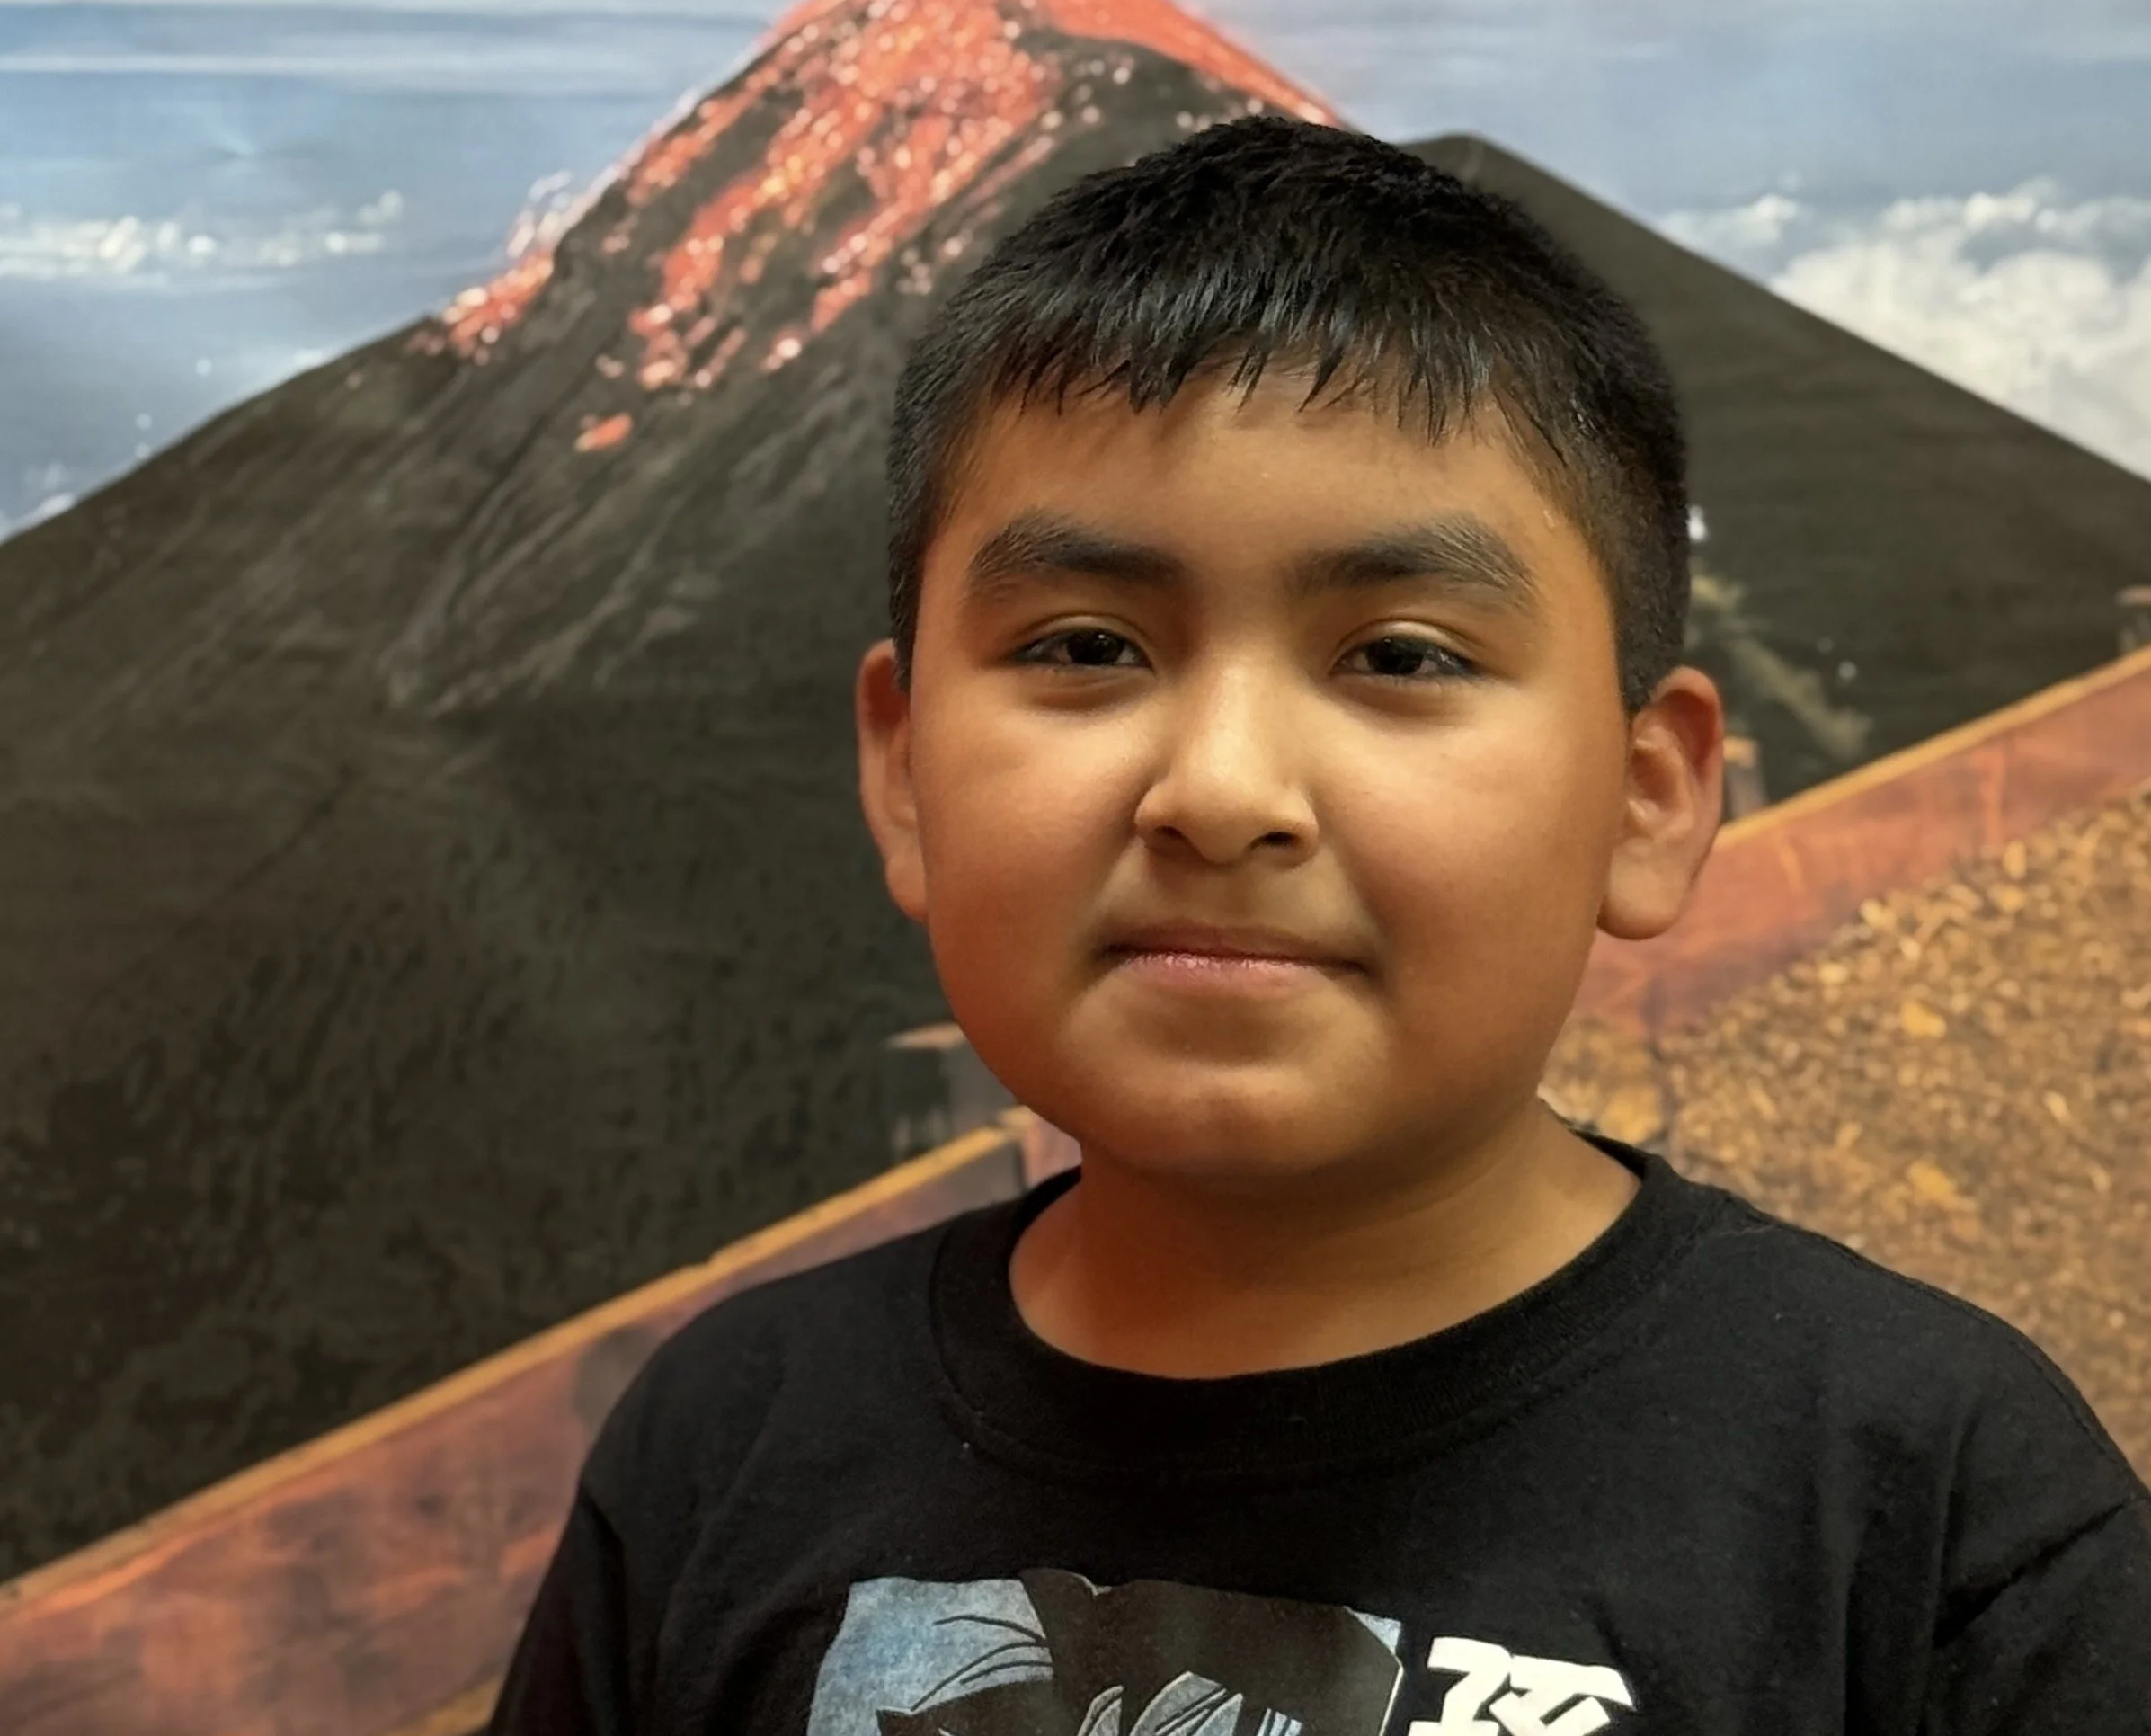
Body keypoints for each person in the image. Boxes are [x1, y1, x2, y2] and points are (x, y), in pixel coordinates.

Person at [491, 116, 2151, 1736]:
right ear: (906, 771)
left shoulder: (1928, 1508)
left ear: (1647, 804)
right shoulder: (726, 1443)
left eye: (1402, 657)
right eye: (1085, 647)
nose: (1220, 792)